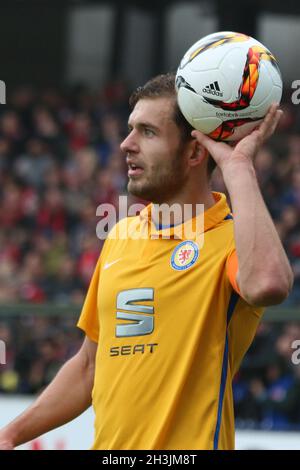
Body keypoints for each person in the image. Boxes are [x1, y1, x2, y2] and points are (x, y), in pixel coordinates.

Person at [0, 73, 293, 450]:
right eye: (130, 129)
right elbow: (90, 365)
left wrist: (237, 168)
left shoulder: (232, 240)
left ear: (194, 152)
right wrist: (11, 433)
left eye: (147, 132)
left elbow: (269, 283)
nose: (126, 144)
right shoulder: (120, 236)